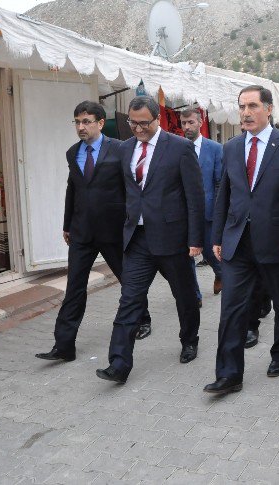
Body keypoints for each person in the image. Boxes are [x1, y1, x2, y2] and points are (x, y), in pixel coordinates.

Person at [204, 85, 279, 394]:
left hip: (277, 242)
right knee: (231, 308)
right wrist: (217, 236)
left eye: (252, 106)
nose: (246, 112)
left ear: (268, 109)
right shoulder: (232, 147)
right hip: (237, 242)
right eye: (242, 106)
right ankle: (229, 374)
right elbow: (225, 194)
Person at [96, 95, 205, 384]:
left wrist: (196, 239)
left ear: (157, 119)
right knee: (129, 300)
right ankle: (118, 363)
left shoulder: (180, 148)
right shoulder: (125, 149)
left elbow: (195, 199)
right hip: (137, 240)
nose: (138, 129)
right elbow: (124, 193)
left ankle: (189, 338)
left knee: (184, 296)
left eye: (144, 123)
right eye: (133, 123)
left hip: (173, 239)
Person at [36, 101, 151, 362]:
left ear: (100, 123)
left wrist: (133, 224)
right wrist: (67, 224)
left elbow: (132, 188)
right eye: (77, 122)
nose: (81, 127)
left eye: (86, 121)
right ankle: (64, 346)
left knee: (128, 281)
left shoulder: (120, 149)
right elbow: (73, 190)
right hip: (82, 233)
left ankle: (143, 318)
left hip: (114, 230)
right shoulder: (72, 153)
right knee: (75, 287)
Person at [179, 108, 223, 297]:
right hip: (182, 214)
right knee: (185, 257)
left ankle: (221, 274)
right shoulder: (176, 147)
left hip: (207, 213)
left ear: (200, 123)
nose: (187, 127)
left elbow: (220, 182)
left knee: (211, 254)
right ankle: (194, 296)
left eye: (191, 122)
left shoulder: (214, 148)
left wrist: (219, 212)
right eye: (183, 123)